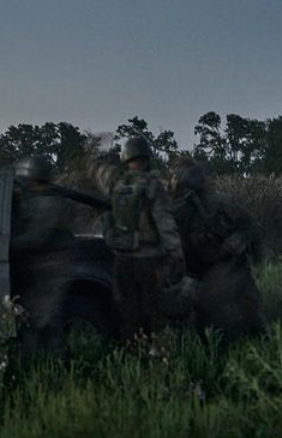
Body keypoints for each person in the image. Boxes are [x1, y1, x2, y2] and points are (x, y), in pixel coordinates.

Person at [89, 137, 185, 340]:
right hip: (149, 258)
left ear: (126, 158)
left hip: (122, 257)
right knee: (152, 309)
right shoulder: (152, 186)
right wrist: (176, 251)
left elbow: (99, 172)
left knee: (127, 308)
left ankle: (132, 348)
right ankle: (154, 351)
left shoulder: (116, 182)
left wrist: (94, 159)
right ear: (147, 158)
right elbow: (164, 221)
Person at [168, 157, 268, 343]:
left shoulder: (217, 204)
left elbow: (250, 225)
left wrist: (240, 243)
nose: (171, 182)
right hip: (197, 273)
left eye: (175, 177)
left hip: (229, 268)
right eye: (171, 177)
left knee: (250, 319)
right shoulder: (172, 211)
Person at [11, 155, 73, 254]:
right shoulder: (37, 199)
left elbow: (34, 238)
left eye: (24, 180)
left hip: (47, 260)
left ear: (32, 180)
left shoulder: (46, 203)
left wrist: (8, 243)